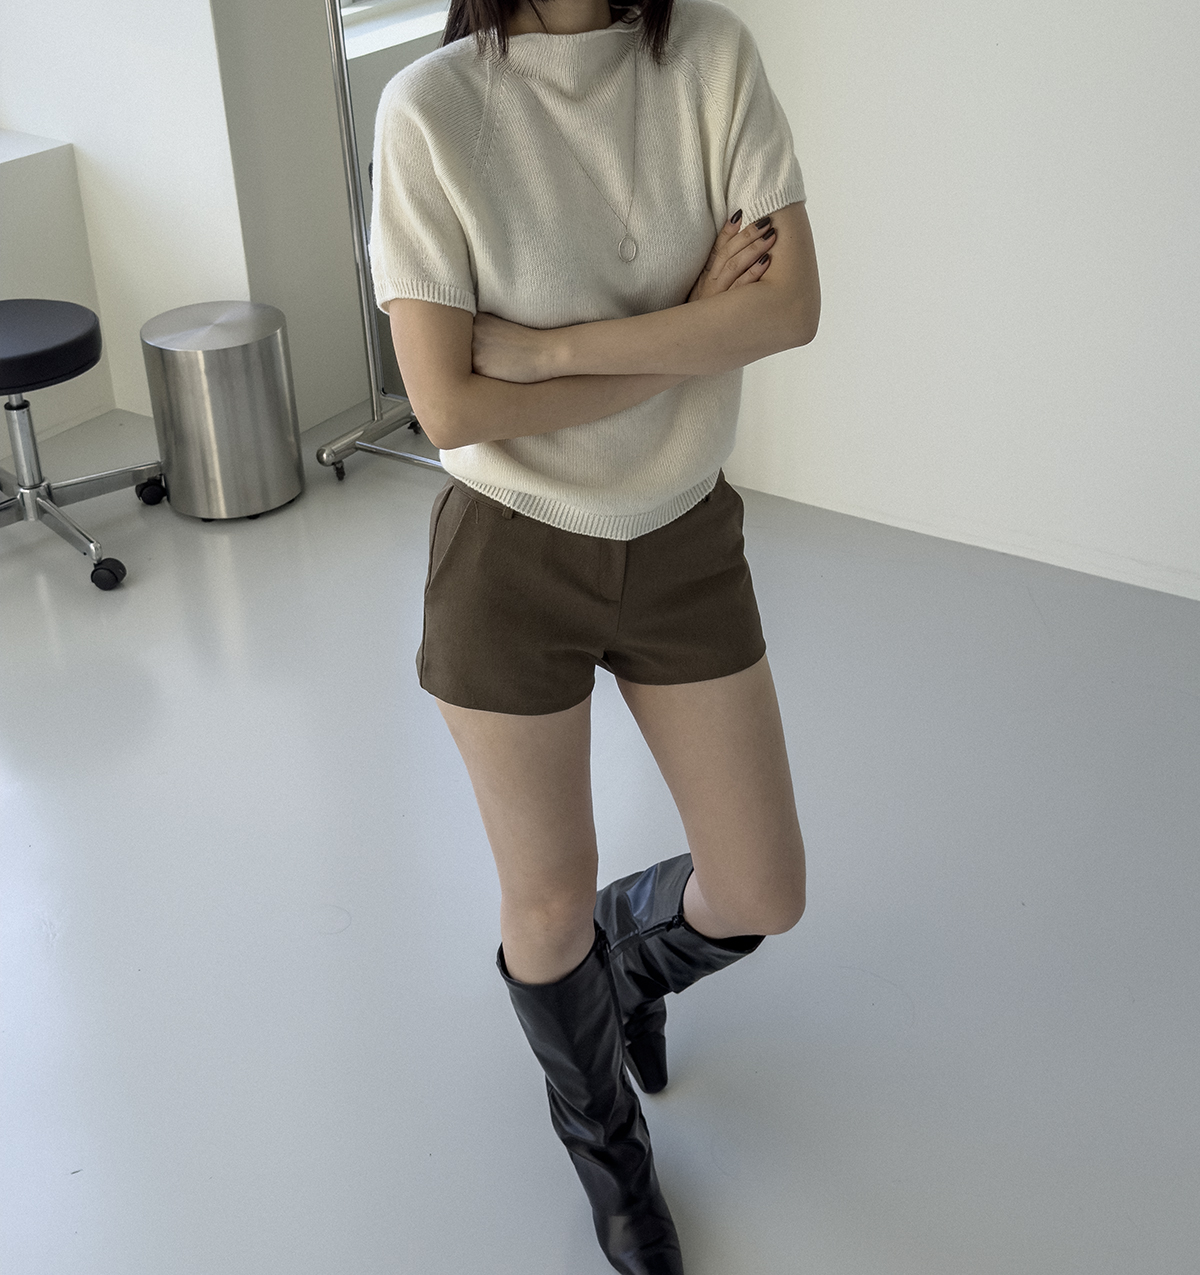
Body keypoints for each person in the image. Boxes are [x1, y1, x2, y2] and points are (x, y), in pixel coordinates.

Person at [369, 1, 819, 1270]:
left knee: (763, 891)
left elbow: (788, 311)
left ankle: (629, 967)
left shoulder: (712, 58)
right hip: (509, 552)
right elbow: (450, 401)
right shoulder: (432, 109)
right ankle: (609, 1151)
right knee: (547, 898)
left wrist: (550, 350)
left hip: (684, 535)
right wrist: (688, 325)